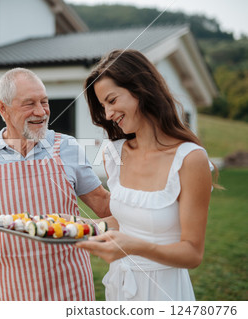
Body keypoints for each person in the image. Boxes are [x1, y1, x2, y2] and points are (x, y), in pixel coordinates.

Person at [0, 67, 111, 301]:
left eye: (44, 102)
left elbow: (103, 204)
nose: (41, 112)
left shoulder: (67, 147)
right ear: (3, 108)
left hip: (71, 289)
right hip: (12, 291)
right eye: (29, 104)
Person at [76, 49, 216, 301]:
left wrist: (135, 247)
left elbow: (193, 254)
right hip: (120, 289)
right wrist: (79, 227)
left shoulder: (190, 159)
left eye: (112, 100)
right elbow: (126, 221)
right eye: (102, 106)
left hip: (165, 292)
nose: (107, 114)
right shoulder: (113, 154)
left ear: (140, 90)